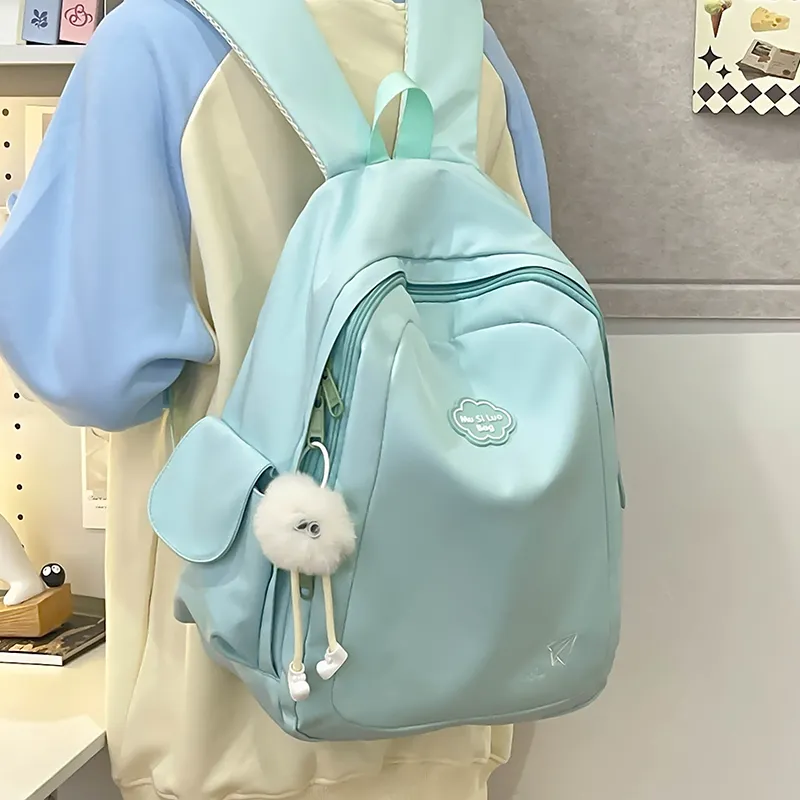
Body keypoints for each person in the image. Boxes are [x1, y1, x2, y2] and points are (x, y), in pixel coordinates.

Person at [0, 0, 551, 798]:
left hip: (232, 705)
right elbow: (523, 340)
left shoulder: (153, 43)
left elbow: (96, 375)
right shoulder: (474, 51)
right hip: (449, 691)